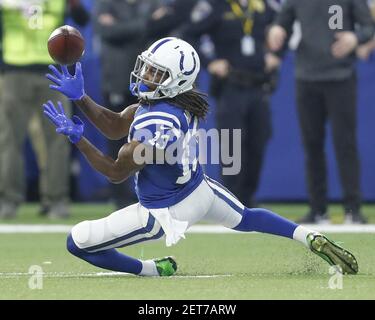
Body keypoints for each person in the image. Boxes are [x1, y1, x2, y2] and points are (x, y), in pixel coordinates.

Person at [43, 37, 358, 276]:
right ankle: (309, 236)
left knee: (78, 242)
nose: (146, 76)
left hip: (163, 212)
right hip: (199, 191)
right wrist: (81, 98)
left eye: (156, 72)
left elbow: (115, 172)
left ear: (174, 81)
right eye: (148, 68)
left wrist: (79, 139)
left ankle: (153, 269)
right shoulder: (183, 102)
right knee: (246, 217)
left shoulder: (153, 122)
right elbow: (116, 125)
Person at [268, 0, 374, 224]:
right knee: (312, 145)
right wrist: (277, 29)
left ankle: (352, 210)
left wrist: (355, 38)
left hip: (341, 77)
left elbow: (368, 27)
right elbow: (282, 21)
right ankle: (318, 210)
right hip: (306, 78)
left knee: (345, 144)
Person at [181, 0, 283, 207]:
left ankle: (248, 197)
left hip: (259, 84)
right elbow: (189, 33)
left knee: (258, 141)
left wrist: (277, 54)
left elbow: (286, 26)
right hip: (231, 85)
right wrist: (210, 62)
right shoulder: (214, 6)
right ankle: (231, 200)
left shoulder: (266, 6)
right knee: (232, 143)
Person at [0, 0, 89, 219]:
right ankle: (9, 199)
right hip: (14, 69)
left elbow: (83, 19)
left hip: (53, 70)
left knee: (59, 137)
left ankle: (56, 199)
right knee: (10, 139)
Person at [93, 0, 157, 209]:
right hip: (118, 80)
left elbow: (162, 32)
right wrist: (145, 23)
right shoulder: (106, 3)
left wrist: (122, 26)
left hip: (149, 83)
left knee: (150, 138)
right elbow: (106, 31)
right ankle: (120, 196)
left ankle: (150, 191)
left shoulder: (153, 2)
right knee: (117, 137)